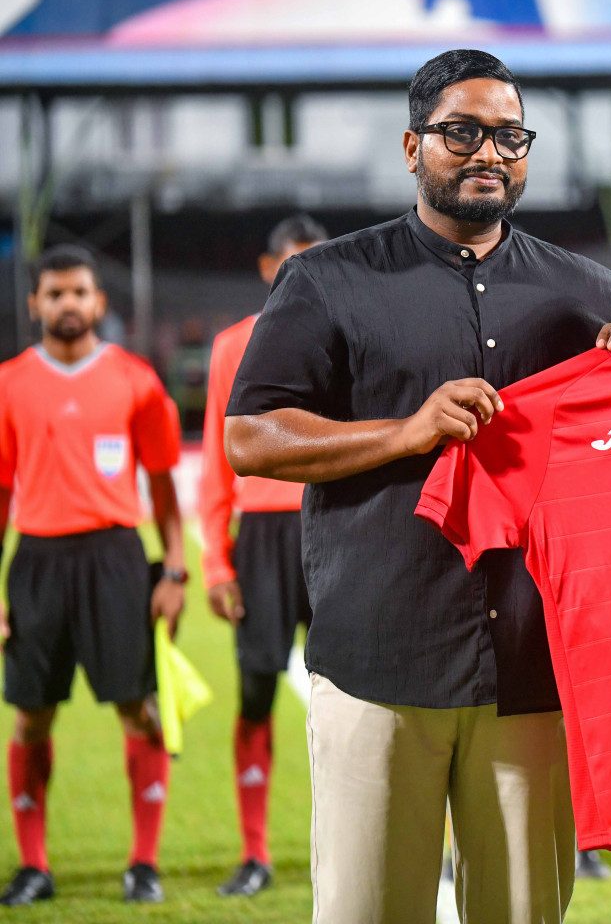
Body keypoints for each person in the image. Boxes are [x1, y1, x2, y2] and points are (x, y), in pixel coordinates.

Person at [223, 49, 611, 923]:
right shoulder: (328, 276)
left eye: (509, 136)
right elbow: (249, 437)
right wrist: (406, 432)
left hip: (531, 666)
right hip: (380, 658)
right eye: (463, 132)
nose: (489, 151)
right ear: (413, 146)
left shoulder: (586, 293)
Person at [0, 245, 186, 906]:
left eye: (79, 292)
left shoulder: (136, 380)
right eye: (54, 294)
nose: (68, 304)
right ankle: (33, 866)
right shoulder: (10, 383)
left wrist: (177, 571)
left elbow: (164, 489)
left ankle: (143, 863)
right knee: (30, 719)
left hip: (116, 560)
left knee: (137, 711)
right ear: (35, 305)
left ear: (98, 302)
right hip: (38, 561)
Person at [198, 213, 328, 897]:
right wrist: (217, 563)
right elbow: (218, 467)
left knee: (365, 697)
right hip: (263, 541)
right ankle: (255, 853)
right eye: (291, 263)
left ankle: (355, 843)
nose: (301, 275)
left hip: (334, 526)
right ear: (266, 267)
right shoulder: (231, 347)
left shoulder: (346, 333)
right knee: (254, 694)